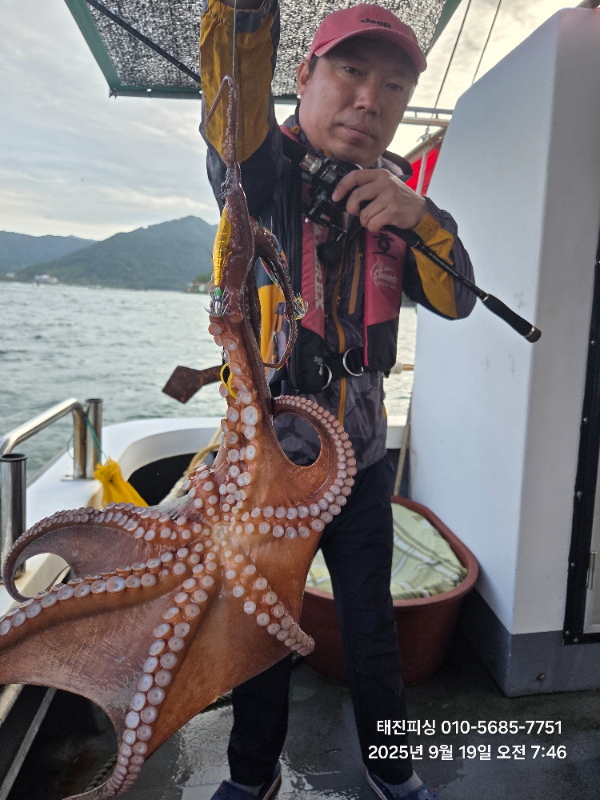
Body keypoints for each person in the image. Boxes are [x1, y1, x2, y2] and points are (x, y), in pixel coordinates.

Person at [200, 3, 475, 799]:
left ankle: (392, 770)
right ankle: (252, 778)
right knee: (261, 634)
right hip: (267, 466)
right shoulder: (259, 170)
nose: (369, 100)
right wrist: (247, 15)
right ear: (304, 76)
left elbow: (457, 300)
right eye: (351, 71)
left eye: (393, 86)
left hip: (361, 462)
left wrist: (422, 217)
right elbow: (234, 94)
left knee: (373, 631)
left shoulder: (399, 203)